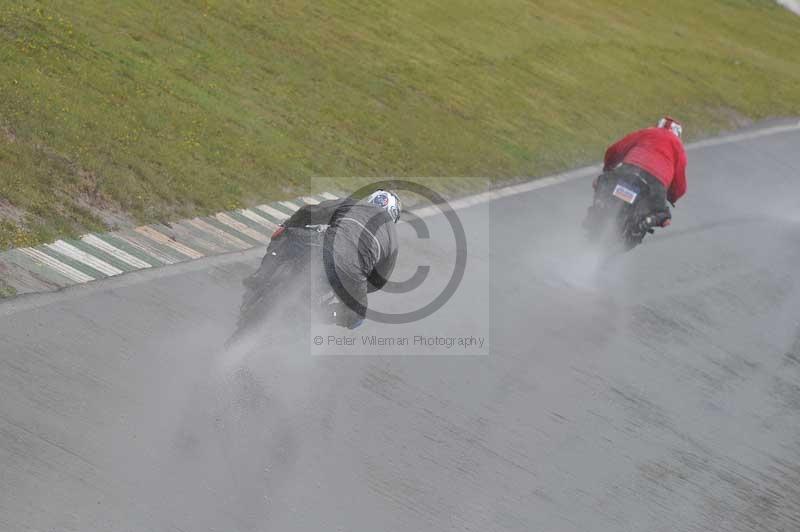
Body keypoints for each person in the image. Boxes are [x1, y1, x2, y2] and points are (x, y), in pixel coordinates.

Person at [274, 189, 401, 329]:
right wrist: (356, 287)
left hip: (323, 246)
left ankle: (262, 273)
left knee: (286, 233)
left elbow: (315, 211)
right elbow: (379, 281)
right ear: (394, 215)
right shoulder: (393, 239)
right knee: (357, 317)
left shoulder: (355, 204)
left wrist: (290, 224)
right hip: (351, 274)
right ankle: (316, 314)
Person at [594, 116, 687, 229]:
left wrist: (608, 168)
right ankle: (649, 221)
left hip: (628, 169)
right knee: (664, 217)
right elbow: (679, 185)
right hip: (656, 183)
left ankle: (598, 206)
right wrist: (672, 196)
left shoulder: (647, 132)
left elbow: (615, 150)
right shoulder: (678, 146)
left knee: (601, 182)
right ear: (678, 134)